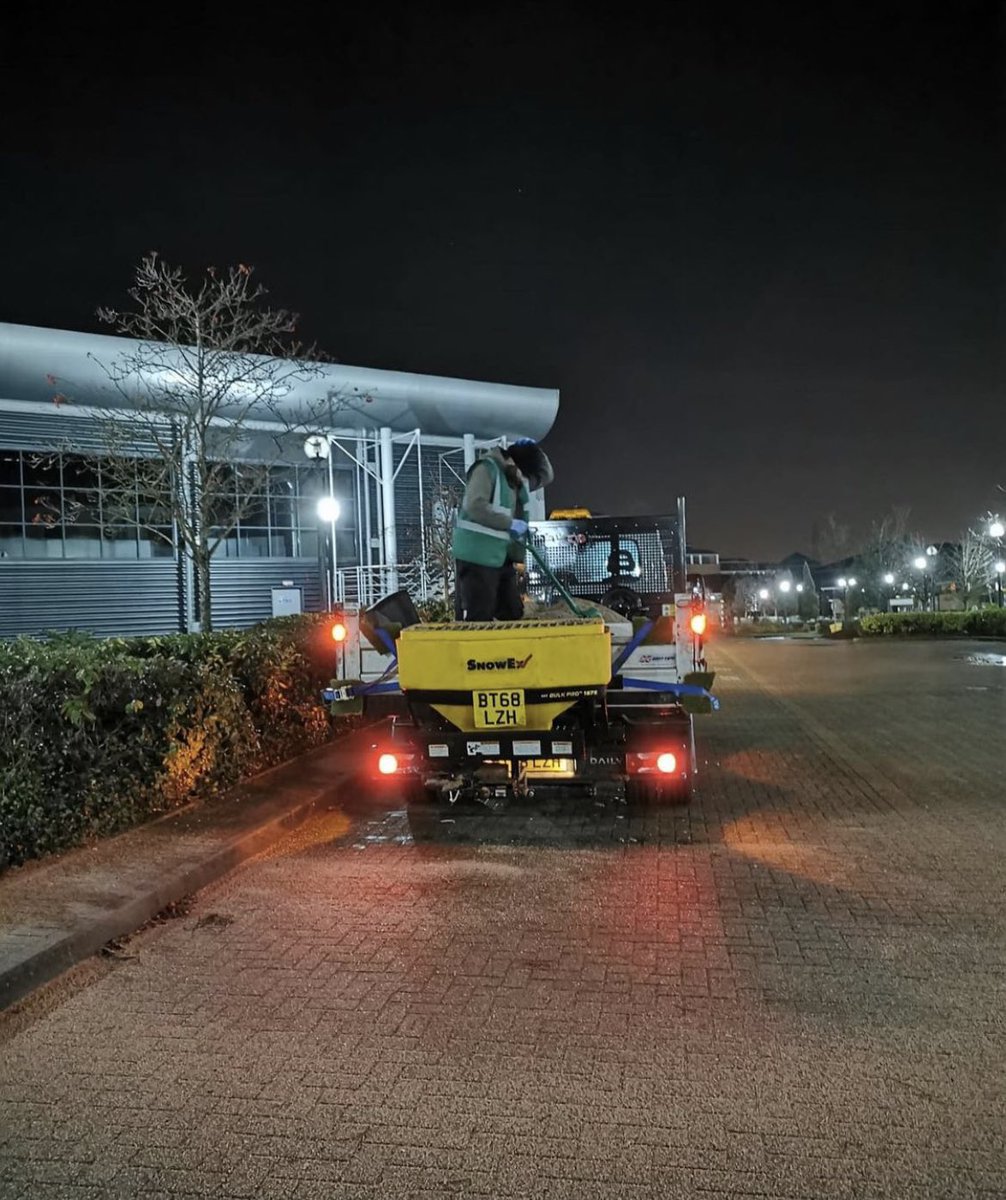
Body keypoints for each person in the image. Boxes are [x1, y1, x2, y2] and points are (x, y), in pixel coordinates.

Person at [453, 438, 554, 621]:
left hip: (500, 556)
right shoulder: (486, 469)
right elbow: (474, 506)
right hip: (477, 557)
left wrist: (537, 452)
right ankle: (478, 650)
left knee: (512, 612)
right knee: (480, 614)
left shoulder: (514, 477)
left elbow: (545, 476)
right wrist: (509, 524)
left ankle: (508, 650)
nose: (526, 480)